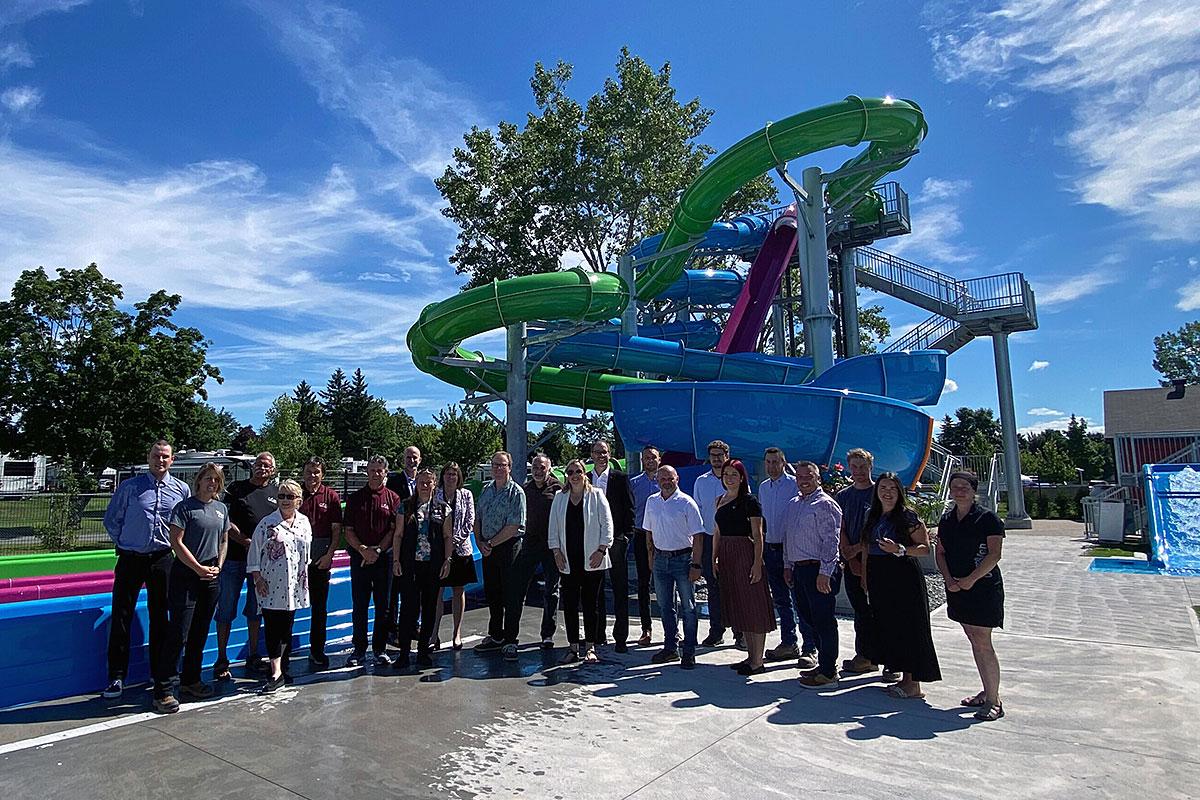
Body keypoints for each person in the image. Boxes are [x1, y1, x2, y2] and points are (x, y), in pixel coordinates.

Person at [101, 440, 189, 701]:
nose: (160, 461)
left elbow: (183, 525)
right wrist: (127, 542)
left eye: (165, 457)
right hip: (131, 558)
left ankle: (158, 672)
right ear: (148, 457)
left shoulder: (180, 490)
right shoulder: (130, 488)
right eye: (155, 456)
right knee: (121, 615)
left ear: (172, 460)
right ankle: (116, 676)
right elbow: (112, 521)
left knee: (161, 616)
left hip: (162, 558)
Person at [862, 472, 941, 700]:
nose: (887, 492)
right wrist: (865, 577)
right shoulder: (872, 515)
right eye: (883, 488)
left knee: (909, 626)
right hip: (878, 574)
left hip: (902, 575)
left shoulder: (908, 517)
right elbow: (867, 546)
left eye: (892, 488)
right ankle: (903, 677)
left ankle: (913, 683)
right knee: (890, 626)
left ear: (900, 492)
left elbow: (924, 548)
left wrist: (900, 549)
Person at [157, 463, 228, 713]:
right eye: (207, 478)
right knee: (179, 632)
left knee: (199, 632)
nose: (212, 483)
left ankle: (191, 680)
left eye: (216, 480)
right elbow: (176, 542)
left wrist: (218, 565)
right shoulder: (184, 508)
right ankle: (164, 689)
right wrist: (197, 567)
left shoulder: (221, 509)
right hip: (187, 574)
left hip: (211, 575)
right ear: (198, 481)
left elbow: (224, 539)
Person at [936, 470, 1006, 722]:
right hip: (956, 587)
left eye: (965, 486)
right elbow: (940, 552)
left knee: (982, 641)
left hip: (983, 587)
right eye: (955, 486)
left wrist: (970, 580)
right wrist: (949, 580)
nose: (959, 490)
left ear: (974, 490)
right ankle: (988, 689)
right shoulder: (947, 519)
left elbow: (994, 554)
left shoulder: (988, 519)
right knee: (973, 638)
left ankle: (993, 700)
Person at [214, 451, 278, 680]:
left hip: (261, 563)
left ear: (273, 470)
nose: (262, 468)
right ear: (252, 467)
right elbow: (225, 519)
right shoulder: (236, 489)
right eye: (259, 464)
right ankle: (222, 658)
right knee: (226, 609)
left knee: (255, 609)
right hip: (234, 559)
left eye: (267, 465)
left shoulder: (275, 493)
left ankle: (253, 655)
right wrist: (244, 540)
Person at [781, 461, 844, 689]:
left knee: (824, 620)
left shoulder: (826, 504)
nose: (803, 480)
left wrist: (825, 572)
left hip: (819, 570)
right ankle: (823, 665)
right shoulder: (794, 504)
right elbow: (788, 537)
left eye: (808, 476)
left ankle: (829, 671)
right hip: (799, 570)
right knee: (809, 619)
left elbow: (831, 541)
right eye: (799, 476)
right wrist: (788, 566)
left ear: (818, 478)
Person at [248, 478, 312, 693]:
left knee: (287, 627)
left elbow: (306, 553)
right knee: (273, 627)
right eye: (281, 496)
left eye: (290, 496)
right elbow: (254, 553)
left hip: (294, 584)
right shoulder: (267, 523)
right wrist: (258, 578)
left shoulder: (304, 522)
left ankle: (283, 667)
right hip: (271, 582)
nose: (285, 500)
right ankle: (274, 672)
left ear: (299, 500)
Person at [549, 459, 614, 664]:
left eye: (578, 471)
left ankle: (591, 646)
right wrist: (556, 552)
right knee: (569, 604)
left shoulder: (596, 495)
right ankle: (572, 647)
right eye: (570, 472)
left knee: (590, 604)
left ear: (585, 473)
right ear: (566, 475)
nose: (574, 475)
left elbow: (607, 525)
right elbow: (553, 529)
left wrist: (602, 550)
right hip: (568, 560)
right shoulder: (560, 498)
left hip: (592, 559)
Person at [713, 460, 776, 676]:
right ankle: (750, 657)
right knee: (741, 606)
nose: (730, 478)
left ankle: (758, 661)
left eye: (734, 474)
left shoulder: (750, 502)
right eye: (726, 474)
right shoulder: (719, 500)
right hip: (727, 555)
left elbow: (758, 536)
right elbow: (718, 532)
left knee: (753, 606)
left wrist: (757, 564)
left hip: (745, 554)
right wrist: (714, 558)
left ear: (742, 477)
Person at [758, 446, 817, 667]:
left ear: (784, 463)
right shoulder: (764, 487)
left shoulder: (794, 485)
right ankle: (789, 642)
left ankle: (810, 648)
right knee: (781, 600)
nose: (772, 466)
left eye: (776, 462)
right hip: (770, 548)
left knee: (800, 600)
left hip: (791, 550)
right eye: (768, 462)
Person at [643, 465, 705, 669]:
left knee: (688, 607)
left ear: (677, 478)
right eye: (662, 478)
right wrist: (651, 557)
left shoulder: (687, 503)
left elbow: (698, 536)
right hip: (661, 560)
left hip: (683, 559)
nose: (666, 482)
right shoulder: (652, 502)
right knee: (665, 606)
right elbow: (648, 532)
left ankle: (689, 651)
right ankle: (670, 647)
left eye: (670, 478)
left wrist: (696, 564)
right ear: (657, 480)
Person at [343, 455, 401, 667]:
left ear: (385, 472)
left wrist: (377, 550)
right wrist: (363, 550)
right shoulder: (355, 498)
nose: (376, 474)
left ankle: (380, 648)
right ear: (366, 471)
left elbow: (394, 530)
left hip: (383, 559)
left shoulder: (393, 498)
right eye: (372, 470)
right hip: (360, 559)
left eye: (380, 470)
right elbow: (348, 531)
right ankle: (358, 649)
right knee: (359, 605)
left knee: (383, 606)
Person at [393, 469, 453, 669]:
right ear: (416, 483)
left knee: (429, 608)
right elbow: (398, 535)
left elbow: (447, 537)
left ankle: (423, 650)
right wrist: (396, 560)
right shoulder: (405, 506)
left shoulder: (443, 509)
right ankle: (403, 652)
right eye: (421, 482)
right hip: (410, 564)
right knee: (409, 608)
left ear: (435, 484)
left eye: (429, 482)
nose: (425, 486)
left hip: (432, 565)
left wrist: (447, 560)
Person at [502, 453, 562, 656]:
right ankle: (510, 638)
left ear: (549, 469)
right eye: (535, 467)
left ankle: (547, 634)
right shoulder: (524, 489)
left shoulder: (558, 489)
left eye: (541, 468)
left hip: (552, 546)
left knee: (551, 591)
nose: (537, 471)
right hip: (528, 545)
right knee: (517, 590)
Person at [836, 448, 886, 677]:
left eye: (862, 467)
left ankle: (891, 659)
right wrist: (848, 555)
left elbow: (881, 529)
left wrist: (859, 550)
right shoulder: (844, 496)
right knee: (861, 612)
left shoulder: (880, 493)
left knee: (883, 611)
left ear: (870, 467)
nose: (858, 472)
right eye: (854, 467)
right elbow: (840, 526)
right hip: (852, 563)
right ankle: (865, 655)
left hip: (878, 560)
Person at [473, 451, 526, 659]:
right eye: (495, 464)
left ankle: (511, 640)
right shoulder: (486, 490)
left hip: (508, 547)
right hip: (487, 548)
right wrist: (479, 542)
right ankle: (495, 636)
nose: (498, 468)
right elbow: (478, 518)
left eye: (502, 465)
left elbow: (514, 526)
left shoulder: (516, 493)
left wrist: (491, 543)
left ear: (509, 467)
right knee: (493, 593)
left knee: (511, 596)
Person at [588, 440, 635, 652]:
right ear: (591, 454)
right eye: (597, 452)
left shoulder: (620, 479)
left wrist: (626, 537)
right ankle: (598, 635)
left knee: (619, 589)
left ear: (609, 454)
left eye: (605, 452)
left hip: (616, 541)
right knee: (595, 591)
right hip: (591, 542)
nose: (601, 456)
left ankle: (621, 638)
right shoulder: (586, 478)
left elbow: (629, 509)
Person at [299, 457, 342, 670]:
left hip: (321, 560)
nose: (312, 476)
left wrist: (329, 555)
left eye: (316, 472)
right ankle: (283, 653)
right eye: (309, 471)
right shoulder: (295, 494)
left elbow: (336, 531)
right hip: (295, 562)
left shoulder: (331, 496)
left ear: (322, 474)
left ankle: (317, 651)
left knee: (319, 609)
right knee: (288, 609)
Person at [434, 462, 477, 650]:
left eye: (454, 474)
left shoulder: (466, 495)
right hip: (438, 550)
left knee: (458, 590)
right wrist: (444, 545)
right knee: (437, 592)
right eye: (448, 473)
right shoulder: (435, 495)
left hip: (461, 549)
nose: (451, 477)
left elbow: (470, 521)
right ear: (442, 476)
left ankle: (456, 633)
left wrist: (454, 542)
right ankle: (433, 633)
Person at [692, 439, 730, 647]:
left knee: (733, 586)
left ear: (727, 457)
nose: (716, 459)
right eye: (713, 455)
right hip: (708, 538)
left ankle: (740, 633)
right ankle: (716, 631)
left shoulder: (735, 479)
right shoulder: (701, 482)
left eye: (720, 455)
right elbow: (697, 513)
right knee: (713, 587)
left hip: (731, 540)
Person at [385, 445, 421, 644]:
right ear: (403, 459)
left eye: (414, 457)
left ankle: (413, 624)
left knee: (415, 587)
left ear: (420, 460)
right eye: (408, 457)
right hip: (399, 540)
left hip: (419, 543)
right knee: (394, 587)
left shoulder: (424, 482)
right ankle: (392, 629)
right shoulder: (394, 482)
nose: (411, 460)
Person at [628, 445, 660, 646]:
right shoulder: (633, 483)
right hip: (640, 536)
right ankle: (646, 628)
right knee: (643, 584)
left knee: (667, 585)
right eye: (646, 457)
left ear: (659, 459)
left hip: (663, 538)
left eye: (653, 457)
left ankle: (672, 629)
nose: (649, 460)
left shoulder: (667, 480)